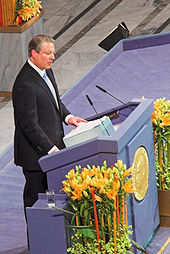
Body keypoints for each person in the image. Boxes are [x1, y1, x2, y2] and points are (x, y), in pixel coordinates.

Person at [12, 34, 86, 217]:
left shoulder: (46, 70)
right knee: (36, 200)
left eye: (53, 53)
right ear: (33, 54)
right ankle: (36, 241)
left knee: (53, 197)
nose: (52, 57)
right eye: (47, 53)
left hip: (52, 149)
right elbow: (29, 125)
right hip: (35, 156)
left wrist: (68, 117)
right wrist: (51, 149)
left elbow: (54, 101)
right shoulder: (25, 84)